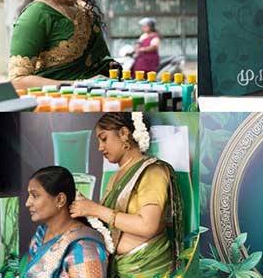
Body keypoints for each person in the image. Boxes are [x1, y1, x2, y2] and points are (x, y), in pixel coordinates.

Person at [70, 112, 185, 277]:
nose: (100, 147)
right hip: (120, 268)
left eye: (104, 138)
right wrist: (84, 207)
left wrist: (94, 209)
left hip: (148, 268)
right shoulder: (115, 177)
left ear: (124, 133)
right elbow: (109, 226)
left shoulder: (153, 171)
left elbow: (147, 226)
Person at [8, 0, 120, 89]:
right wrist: (79, 85)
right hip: (55, 106)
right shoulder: (37, 15)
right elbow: (18, 81)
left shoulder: (86, 12)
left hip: (98, 100)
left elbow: (101, 61)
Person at [19, 166, 110, 277]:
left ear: (60, 200)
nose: (27, 203)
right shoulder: (41, 233)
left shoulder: (84, 247)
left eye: (35, 195)